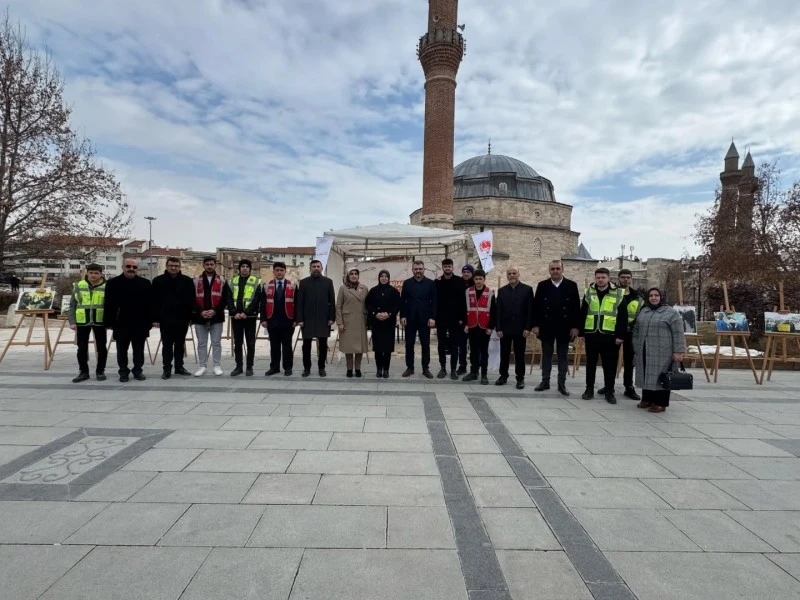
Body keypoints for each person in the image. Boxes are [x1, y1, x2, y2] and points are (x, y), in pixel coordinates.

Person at [632, 287, 686, 413]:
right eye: (651, 295)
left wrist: (678, 351)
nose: (653, 298)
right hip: (644, 349)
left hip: (663, 352)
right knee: (646, 374)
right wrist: (636, 344)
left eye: (656, 295)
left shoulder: (671, 313)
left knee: (660, 377)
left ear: (662, 297)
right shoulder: (644, 311)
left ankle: (660, 403)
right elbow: (636, 330)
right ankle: (647, 399)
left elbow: (678, 332)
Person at [532, 260, 581, 396]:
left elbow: (576, 308)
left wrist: (576, 327)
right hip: (546, 326)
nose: (555, 271)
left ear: (562, 269)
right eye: (552, 269)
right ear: (549, 270)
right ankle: (545, 381)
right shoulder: (542, 285)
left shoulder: (571, 285)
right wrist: (535, 325)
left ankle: (561, 384)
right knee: (546, 355)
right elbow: (536, 307)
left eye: (557, 268)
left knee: (563, 356)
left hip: (564, 327)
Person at [580, 267, 627, 403]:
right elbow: (583, 312)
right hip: (592, 334)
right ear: (595, 278)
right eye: (598, 277)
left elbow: (623, 316)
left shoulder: (618, 293)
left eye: (603, 277)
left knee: (610, 365)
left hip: (610, 336)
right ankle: (589, 389)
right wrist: (582, 333)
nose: (600, 280)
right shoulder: (589, 292)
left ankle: (609, 391)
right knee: (590, 364)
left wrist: (620, 336)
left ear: (608, 278)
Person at [104, 257, 153, 382]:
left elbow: (150, 305)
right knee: (121, 350)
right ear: (123, 267)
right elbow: (108, 304)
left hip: (140, 323)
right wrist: (109, 322)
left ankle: (138, 370)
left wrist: (149, 322)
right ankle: (123, 372)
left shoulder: (145, 283)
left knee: (139, 350)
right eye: (128, 266)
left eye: (134, 267)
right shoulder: (112, 283)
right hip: (121, 323)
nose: (131, 269)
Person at [151, 257, 195, 379]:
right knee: (167, 345)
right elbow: (153, 302)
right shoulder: (158, 281)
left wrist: (191, 317)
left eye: (176, 265)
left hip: (182, 318)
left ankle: (179, 367)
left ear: (179, 267)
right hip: (165, 319)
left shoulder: (187, 281)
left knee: (180, 345)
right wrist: (154, 319)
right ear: (167, 266)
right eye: (171, 265)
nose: (174, 267)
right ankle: (167, 369)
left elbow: (191, 300)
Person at [495, 266, 534, 389]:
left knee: (519, 355)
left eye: (514, 273)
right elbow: (498, 311)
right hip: (505, 329)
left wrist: (528, 327)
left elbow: (530, 311)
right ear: (507, 275)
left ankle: (520, 378)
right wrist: (498, 328)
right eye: (509, 273)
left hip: (520, 329)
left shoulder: (527, 290)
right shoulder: (501, 291)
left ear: (518, 274)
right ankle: (503, 375)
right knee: (504, 354)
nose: (511, 275)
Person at [69, 264, 108, 382]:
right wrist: (72, 321)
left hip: (100, 321)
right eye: (91, 273)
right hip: (82, 321)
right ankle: (83, 372)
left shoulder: (107, 286)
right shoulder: (79, 285)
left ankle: (100, 371)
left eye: (96, 273)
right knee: (82, 348)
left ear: (101, 274)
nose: (93, 275)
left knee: (101, 348)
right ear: (87, 273)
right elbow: (72, 305)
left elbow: (110, 305)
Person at [296, 259, 336, 377]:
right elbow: (300, 303)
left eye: (318, 266)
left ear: (322, 268)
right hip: (307, 320)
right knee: (306, 346)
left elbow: (332, 301)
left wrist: (331, 318)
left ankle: (321, 368)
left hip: (323, 319)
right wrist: (300, 319)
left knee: (323, 345)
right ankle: (306, 368)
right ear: (310, 268)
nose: (316, 268)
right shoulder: (303, 283)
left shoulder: (328, 282)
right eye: (314, 266)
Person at [192, 256, 229, 377]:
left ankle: (216, 365)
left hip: (216, 317)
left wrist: (215, 311)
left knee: (216, 342)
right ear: (203, 265)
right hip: (200, 316)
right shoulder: (196, 280)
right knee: (202, 343)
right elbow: (191, 299)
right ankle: (202, 366)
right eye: (207, 264)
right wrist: (200, 311)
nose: (209, 266)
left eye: (211, 264)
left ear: (215, 265)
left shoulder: (222, 280)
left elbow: (225, 299)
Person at [400, 260, 437, 378]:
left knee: (425, 345)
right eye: (416, 269)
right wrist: (402, 316)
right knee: (409, 345)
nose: (418, 271)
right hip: (410, 319)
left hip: (425, 319)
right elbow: (402, 301)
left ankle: (425, 368)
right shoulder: (407, 283)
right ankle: (410, 368)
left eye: (420, 269)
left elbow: (434, 302)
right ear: (412, 270)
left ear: (424, 269)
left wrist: (432, 317)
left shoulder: (431, 283)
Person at [260, 262, 296, 376]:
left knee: (287, 345)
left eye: (281, 270)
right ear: (273, 272)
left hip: (288, 320)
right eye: (277, 270)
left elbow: (297, 303)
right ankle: (274, 367)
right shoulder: (266, 286)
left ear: (285, 272)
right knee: (274, 346)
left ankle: (288, 367)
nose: (279, 272)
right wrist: (263, 319)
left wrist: (296, 320)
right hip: (272, 320)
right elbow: (263, 304)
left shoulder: (293, 286)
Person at [228, 259, 262, 377]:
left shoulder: (256, 282)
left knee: (250, 343)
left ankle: (249, 367)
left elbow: (256, 299)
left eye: (247, 266)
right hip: (236, 317)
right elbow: (228, 298)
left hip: (250, 317)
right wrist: (234, 312)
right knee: (237, 343)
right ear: (239, 268)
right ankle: (238, 366)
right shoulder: (232, 281)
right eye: (243, 266)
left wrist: (246, 313)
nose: (245, 268)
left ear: (250, 269)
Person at [462, 269, 496, 385]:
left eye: (480, 279)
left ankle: (484, 375)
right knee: (473, 351)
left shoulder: (490, 292)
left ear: (484, 279)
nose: (478, 281)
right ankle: (473, 372)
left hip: (484, 327)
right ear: (473, 279)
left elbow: (493, 311)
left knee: (484, 351)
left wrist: (491, 327)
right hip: (472, 325)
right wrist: (466, 324)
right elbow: (465, 309)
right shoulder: (468, 291)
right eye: (476, 279)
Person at [435, 258, 467, 380]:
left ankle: (453, 369)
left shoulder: (459, 281)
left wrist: (462, 319)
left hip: (456, 320)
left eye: (449, 266)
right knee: (441, 345)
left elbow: (463, 302)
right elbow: (435, 302)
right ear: (442, 268)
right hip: (441, 319)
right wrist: (435, 318)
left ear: (452, 267)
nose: (447, 268)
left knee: (455, 345)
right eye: (445, 266)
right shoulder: (437, 282)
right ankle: (443, 368)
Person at [366, 269, 400, 378]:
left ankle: (386, 369)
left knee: (387, 348)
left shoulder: (394, 291)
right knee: (378, 348)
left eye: (386, 276)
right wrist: (375, 314)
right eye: (382, 276)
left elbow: (397, 305)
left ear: (388, 278)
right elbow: (368, 304)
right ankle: (378, 369)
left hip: (388, 323)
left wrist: (389, 314)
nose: (384, 278)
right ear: (379, 278)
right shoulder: (373, 291)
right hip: (377, 323)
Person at [336, 268, 370, 378]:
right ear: (348, 276)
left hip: (361, 321)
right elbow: (338, 306)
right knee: (348, 347)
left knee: (360, 347)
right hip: (347, 322)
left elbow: (368, 305)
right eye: (352, 274)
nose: (354, 276)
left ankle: (358, 368)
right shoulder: (343, 288)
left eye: (356, 274)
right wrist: (340, 322)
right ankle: (349, 369)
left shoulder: (364, 288)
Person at [616, 268, 642, 400]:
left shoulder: (637, 296)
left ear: (631, 279)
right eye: (623, 277)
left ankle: (629, 386)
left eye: (628, 277)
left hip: (630, 332)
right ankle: (608, 385)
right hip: (615, 332)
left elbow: (640, 314)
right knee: (610, 360)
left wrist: (631, 326)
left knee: (629, 361)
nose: (625, 279)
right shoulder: (613, 293)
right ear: (618, 279)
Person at [456, 264, 475, 374]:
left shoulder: (476, 285)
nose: (466, 274)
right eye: (464, 272)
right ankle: (462, 365)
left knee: (474, 346)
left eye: (468, 272)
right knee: (461, 345)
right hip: (461, 321)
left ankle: (474, 367)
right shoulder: (458, 284)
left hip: (473, 320)